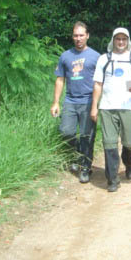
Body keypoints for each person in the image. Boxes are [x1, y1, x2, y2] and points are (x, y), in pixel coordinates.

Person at [90, 27, 131, 192]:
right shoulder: (104, 59)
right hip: (107, 107)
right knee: (109, 144)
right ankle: (112, 179)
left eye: (124, 39)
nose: (121, 42)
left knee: (130, 143)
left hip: (128, 106)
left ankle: (129, 164)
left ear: (128, 41)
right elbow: (98, 84)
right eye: (118, 39)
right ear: (113, 40)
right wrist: (94, 107)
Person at [51, 22, 100, 183]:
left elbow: (100, 83)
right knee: (66, 132)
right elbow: (60, 80)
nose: (78, 38)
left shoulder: (96, 56)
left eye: (81, 35)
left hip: (88, 101)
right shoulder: (65, 56)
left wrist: (97, 105)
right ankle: (76, 153)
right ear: (72, 36)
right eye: (75, 35)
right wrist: (56, 102)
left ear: (87, 36)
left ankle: (85, 167)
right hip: (70, 100)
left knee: (87, 135)